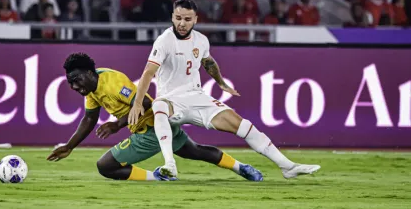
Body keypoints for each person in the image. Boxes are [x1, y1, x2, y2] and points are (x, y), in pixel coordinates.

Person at [128, 0, 321, 179]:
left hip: (196, 98)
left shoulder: (201, 40)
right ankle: (169, 165)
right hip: (171, 100)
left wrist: (220, 83)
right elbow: (148, 72)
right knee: (158, 107)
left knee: (243, 125)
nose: (182, 23)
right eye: (178, 18)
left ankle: (287, 166)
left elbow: (208, 62)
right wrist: (137, 103)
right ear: (172, 17)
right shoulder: (164, 41)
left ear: (195, 19)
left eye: (187, 19)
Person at [47, 53, 263, 182]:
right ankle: (241, 168)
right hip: (162, 124)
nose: (74, 86)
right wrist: (70, 146)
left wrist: (116, 125)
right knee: (195, 151)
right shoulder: (92, 89)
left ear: (89, 73)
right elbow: (89, 119)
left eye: (76, 80)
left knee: (105, 166)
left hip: (149, 129)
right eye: (70, 83)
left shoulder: (112, 83)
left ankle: (158, 177)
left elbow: (146, 103)